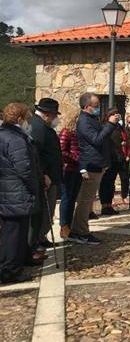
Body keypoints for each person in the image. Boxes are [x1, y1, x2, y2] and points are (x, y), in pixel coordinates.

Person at [68, 93, 118, 245]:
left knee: (87, 199)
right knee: (85, 200)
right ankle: (80, 231)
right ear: (86, 107)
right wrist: (110, 125)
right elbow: (96, 139)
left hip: (97, 163)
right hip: (91, 164)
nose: (98, 109)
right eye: (96, 106)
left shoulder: (91, 119)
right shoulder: (84, 122)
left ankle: (78, 229)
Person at [0, 103, 41, 283]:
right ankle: (10, 271)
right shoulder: (15, 139)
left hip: (7, 190)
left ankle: (13, 264)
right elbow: (24, 168)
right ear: (19, 120)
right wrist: (35, 186)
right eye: (27, 119)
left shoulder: (4, 135)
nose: (28, 123)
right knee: (14, 233)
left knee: (10, 232)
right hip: (16, 191)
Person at [30, 98, 62, 250]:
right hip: (46, 177)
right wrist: (43, 174)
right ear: (48, 114)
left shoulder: (42, 125)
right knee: (44, 210)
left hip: (51, 175)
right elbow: (36, 153)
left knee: (46, 210)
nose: (56, 118)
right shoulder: (38, 127)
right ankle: (36, 241)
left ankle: (41, 238)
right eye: (55, 115)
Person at [59, 110, 81, 239]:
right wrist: (76, 158)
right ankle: (64, 226)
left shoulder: (80, 135)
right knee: (66, 198)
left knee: (73, 198)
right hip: (68, 169)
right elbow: (62, 151)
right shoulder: (67, 132)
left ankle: (69, 224)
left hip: (77, 169)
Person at [99, 109, 124, 216]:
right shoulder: (105, 127)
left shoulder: (118, 127)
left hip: (117, 158)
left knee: (111, 184)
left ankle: (109, 205)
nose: (116, 116)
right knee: (105, 183)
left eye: (117, 114)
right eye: (113, 114)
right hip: (108, 159)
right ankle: (104, 206)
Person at [119, 114, 130, 205]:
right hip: (125, 157)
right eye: (129, 122)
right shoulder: (124, 131)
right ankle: (124, 195)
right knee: (124, 178)